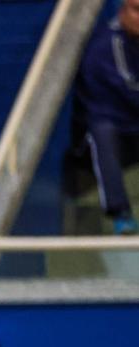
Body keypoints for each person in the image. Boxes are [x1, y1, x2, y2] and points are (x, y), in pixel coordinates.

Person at [71, 0, 139, 234]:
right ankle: (121, 215)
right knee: (103, 134)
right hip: (110, 123)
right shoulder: (105, 44)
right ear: (122, 11)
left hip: (134, 123)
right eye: (136, 10)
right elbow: (128, 88)